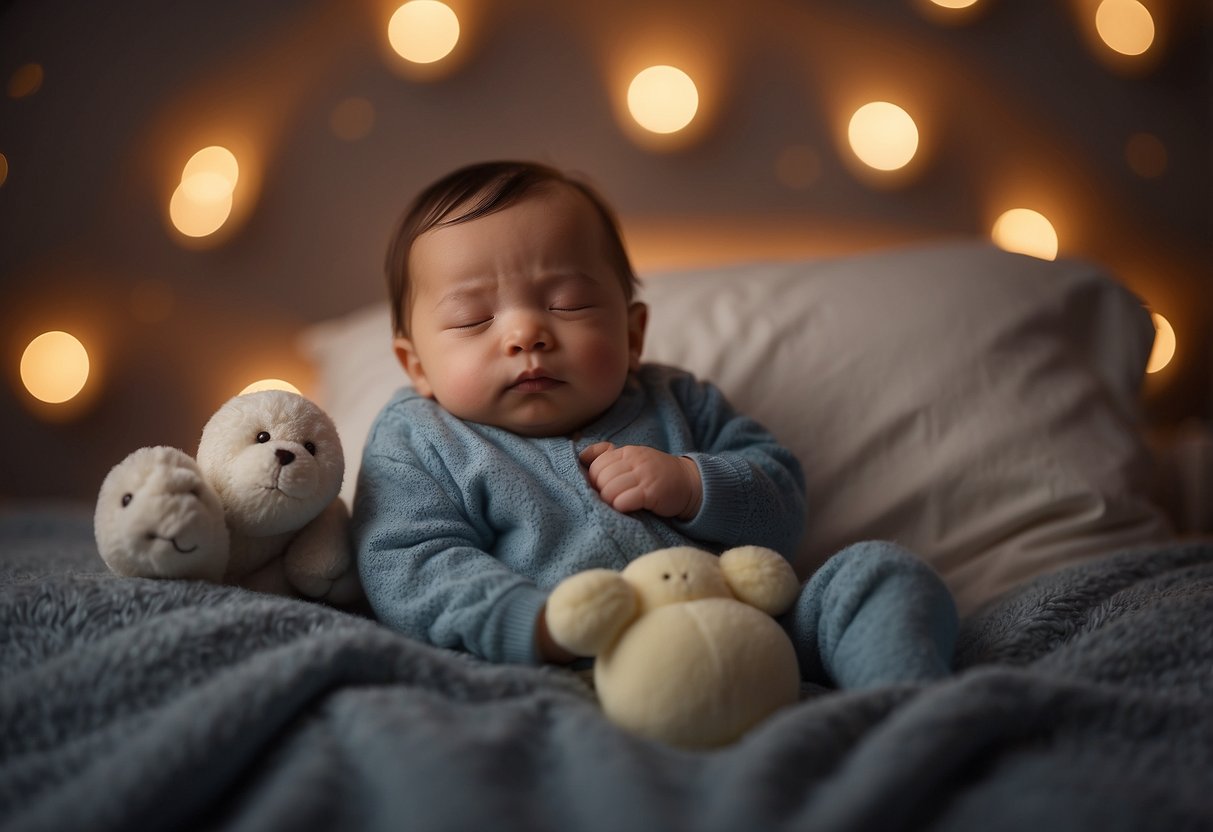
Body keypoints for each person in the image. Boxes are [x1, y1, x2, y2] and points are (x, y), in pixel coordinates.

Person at [351, 160, 957, 687]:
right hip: (571, 667)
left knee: (877, 573)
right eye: (473, 318)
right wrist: (534, 623)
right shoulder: (420, 440)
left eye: (567, 304)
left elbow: (783, 500)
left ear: (633, 333)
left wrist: (695, 485)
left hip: (757, 631)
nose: (524, 334)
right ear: (417, 365)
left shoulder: (676, 399)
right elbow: (409, 560)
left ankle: (910, 708)